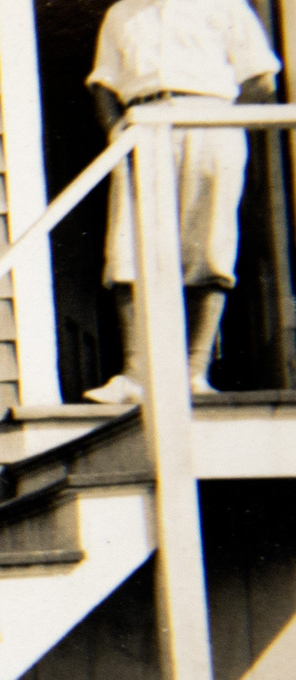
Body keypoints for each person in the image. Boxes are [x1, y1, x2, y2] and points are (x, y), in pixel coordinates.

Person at [82, 0, 279, 402]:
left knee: (207, 246)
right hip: (142, 122)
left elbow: (261, 80)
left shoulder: (226, 6)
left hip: (209, 121)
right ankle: (135, 374)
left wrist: (221, 123)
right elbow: (104, 84)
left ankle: (194, 371)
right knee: (127, 248)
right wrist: (114, 132)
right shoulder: (122, 13)